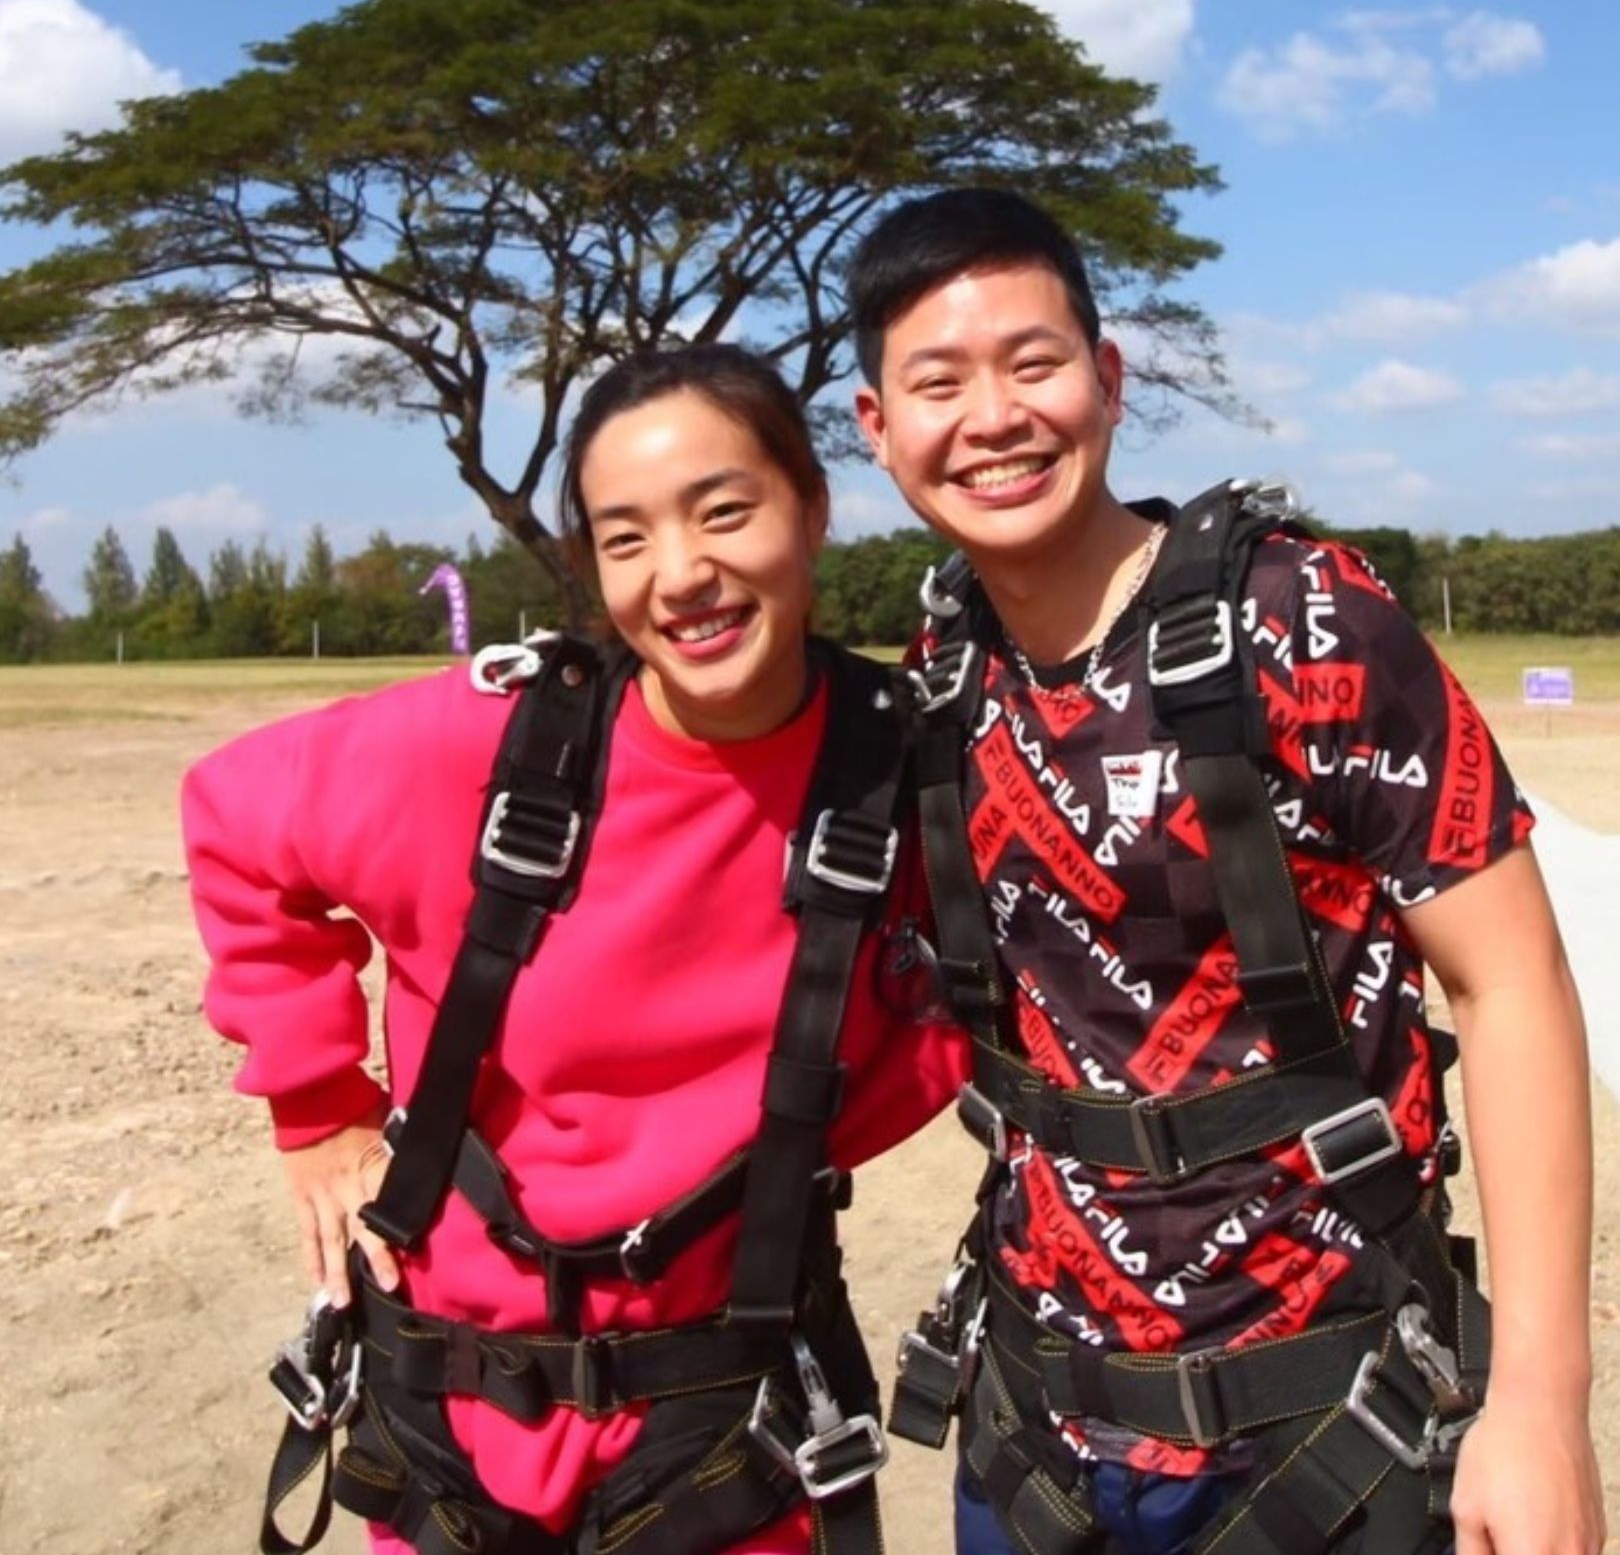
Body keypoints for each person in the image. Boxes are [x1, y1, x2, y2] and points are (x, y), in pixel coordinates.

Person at [846, 188, 1605, 1555]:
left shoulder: (1308, 619)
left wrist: (1544, 1404)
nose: (995, 417)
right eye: (938, 382)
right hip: (1034, 1441)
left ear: (1108, 378)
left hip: (1332, 1428)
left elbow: (1514, 987)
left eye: (1035, 363)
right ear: (877, 427)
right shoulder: (942, 672)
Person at [182, 343, 965, 1555]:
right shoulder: (486, 749)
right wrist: (316, 1103)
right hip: (451, 1423)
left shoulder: (911, 777)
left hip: (721, 1432)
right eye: (627, 537)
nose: (683, 574)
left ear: (811, 505)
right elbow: (232, 815)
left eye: (724, 512)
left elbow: (1007, 994)